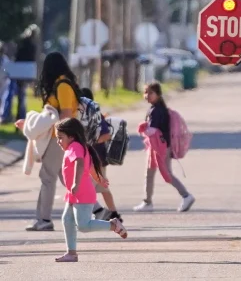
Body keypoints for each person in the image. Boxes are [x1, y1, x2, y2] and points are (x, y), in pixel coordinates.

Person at [16, 52, 81, 231]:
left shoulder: (62, 86)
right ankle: (90, 211)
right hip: (61, 137)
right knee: (66, 178)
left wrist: (61, 137)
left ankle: (44, 219)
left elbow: (66, 113)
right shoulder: (62, 84)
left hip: (59, 138)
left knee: (47, 177)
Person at [54, 118, 127, 262]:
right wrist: (99, 179)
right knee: (67, 220)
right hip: (74, 193)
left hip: (82, 193)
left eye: (60, 138)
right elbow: (91, 167)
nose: (58, 141)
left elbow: (80, 164)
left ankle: (113, 225)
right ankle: (71, 253)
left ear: (71, 136)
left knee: (83, 225)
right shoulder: (78, 147)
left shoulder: (75, 147)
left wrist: (75, 183)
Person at [133, 82, 195, 213]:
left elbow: (153, 130)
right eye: (145, 93)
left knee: (166, 174)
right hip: (155, 147)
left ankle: (186, 195)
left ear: (158, 94)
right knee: (149, 174)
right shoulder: (155, 108)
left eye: (150, 93)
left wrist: (143, 128)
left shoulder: (157, 110)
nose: (147, 96)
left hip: (160, 148)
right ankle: (147, 201)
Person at [80, 87, 123, 222]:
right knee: (103, 188)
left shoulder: (95, 117)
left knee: (87, 188)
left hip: (96, 159)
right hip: (94, 158)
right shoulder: (83, 117)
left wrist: (91, 141)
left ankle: (89, 216)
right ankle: (114, 214)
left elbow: (107, 135)